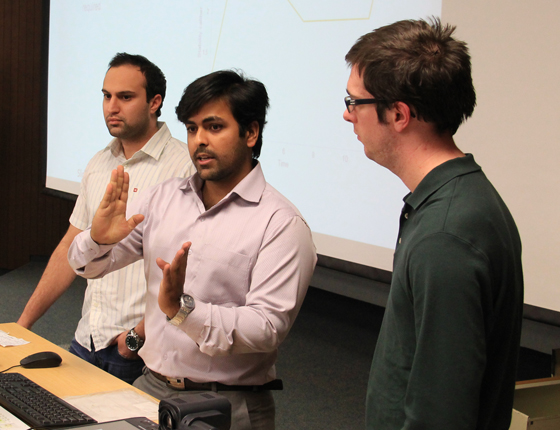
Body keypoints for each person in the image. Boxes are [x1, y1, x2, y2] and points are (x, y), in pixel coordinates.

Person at [67, 70, 317, 430]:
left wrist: (182, 311)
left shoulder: (281, 224)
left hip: (225, 403)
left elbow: (267, 327)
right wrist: (99, 239)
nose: (199, 140)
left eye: (214, 127)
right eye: (192, 128)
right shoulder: (163, 198)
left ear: (251, 132)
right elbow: (87, 266)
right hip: (149, 387)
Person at [343, 18, 523, 430]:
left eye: (355, 102)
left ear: (400, 114)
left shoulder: (445, 235)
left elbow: (442, 413)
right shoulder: (459, 202)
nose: (347, 115)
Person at [17, 53, 194, 384]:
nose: (112, 106)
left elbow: (192, 272)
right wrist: (23, 325)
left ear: (155, 102)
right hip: (87, 340)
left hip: (139, 351)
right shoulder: (99, 163)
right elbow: (71, 248)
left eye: (125, 97)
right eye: (106, 95)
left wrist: (135, 338)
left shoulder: (185, 169)